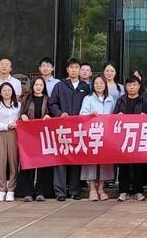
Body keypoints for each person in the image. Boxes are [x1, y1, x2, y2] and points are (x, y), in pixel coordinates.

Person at [49, 58, 90, 201]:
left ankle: (75, 190)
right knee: (61, 158)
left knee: (76, 157)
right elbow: (52, 103)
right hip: (62, 128)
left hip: (79, 128)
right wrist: (60, 114)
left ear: (79, 70)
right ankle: (60, 192)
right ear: (67, 70)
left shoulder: (85, 87)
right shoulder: (60, 86)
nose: (74, 70)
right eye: (71, 67)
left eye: (76, 67)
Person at [114, 75, 147, 201]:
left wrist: (145, 116)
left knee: (138, 166)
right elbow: (114, 116)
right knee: (124, 166)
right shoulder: (121, 100)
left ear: (139, 86)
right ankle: (123, 191)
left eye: (134, 85)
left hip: (139, 137)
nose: (132, 87)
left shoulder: (144, 100)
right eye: (129, 85)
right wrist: (117, 116)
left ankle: (138, 191)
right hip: (124, 137)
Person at [80, 75, 115, 201]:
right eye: (96, 83)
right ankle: (92, 188)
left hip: (106, 134)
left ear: (105, 85)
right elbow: (81, 114)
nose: (99, 85)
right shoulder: (88, 98)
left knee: (104, 161)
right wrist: (90, 115)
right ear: (92, 85)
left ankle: (101, 188)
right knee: (91, 161)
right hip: (92, 133)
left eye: (101, 83)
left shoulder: (110, 99)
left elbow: (114, 116)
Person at [17, 77, 53, 202]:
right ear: (32, 86)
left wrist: (49, 115)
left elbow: (53, 114)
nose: (38, 87)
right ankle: (27, 192)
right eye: (36, 84)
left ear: (44, 87)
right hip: (29, 136)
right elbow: (21, 113)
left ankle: (41, 192)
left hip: (43, 136)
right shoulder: (27, 99)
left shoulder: (48, 100)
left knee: (43, 164)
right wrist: (23, 116)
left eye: (41, 85)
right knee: (28, 163)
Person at [0, 82, 21, 202]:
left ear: (12, 91)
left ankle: (11, 190)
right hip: (0, 135)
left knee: (13, 162)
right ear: (0, 93)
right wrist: (7, 125)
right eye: (4, 90)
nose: (7, 92)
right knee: (1, 163)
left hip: (15, 135)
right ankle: (1, 190)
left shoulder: (18, 105)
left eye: (9, 90)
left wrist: (16, 124)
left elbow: (21, 120)